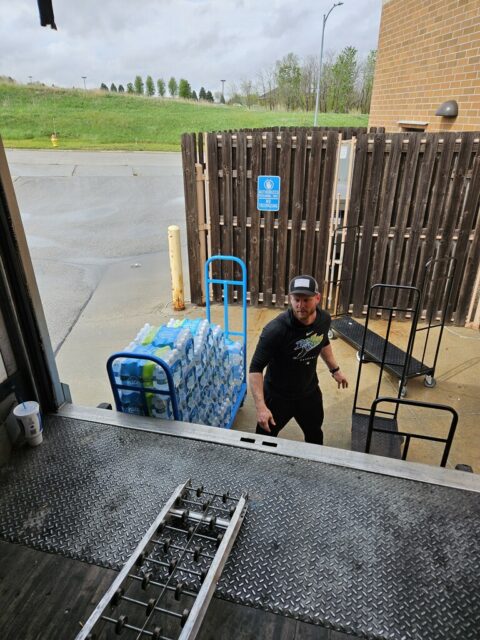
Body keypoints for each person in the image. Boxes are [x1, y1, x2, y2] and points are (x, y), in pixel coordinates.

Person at [249, 275, 348, 445]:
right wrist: (261, 407)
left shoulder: (324, 319)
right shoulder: (276, 330)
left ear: (317, 298)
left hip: (308, 393)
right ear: (290, 298)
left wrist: (335, 370)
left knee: (315, 434)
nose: (300, 306)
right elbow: (255, 368)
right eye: (296, 300)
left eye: (306, 300)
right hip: (277, 396)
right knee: (263, 440)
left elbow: (322, 340)